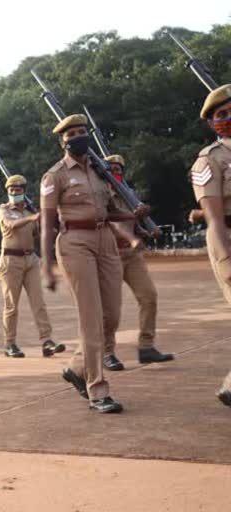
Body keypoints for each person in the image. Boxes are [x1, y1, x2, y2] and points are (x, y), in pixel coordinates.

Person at [40, 114, 147, 413]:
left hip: (106, 241)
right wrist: (47, 265)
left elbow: (112, 210)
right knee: (91, 316)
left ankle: (76, 368)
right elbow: (48, 224)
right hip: (74, 242)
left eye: (82, 131)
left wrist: (135, 216)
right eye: (71, 133)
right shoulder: (55, 176)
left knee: (110, 315)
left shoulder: (100, 173)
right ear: (62, 141)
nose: (78, 136)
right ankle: (97, 390)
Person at [102, 155, 173, 370]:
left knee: (149, 297)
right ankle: (107, 352)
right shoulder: (101, 194)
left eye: (119, 168)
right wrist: (132, 238)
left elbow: (131, 221)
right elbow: (113, 222)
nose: (116, 171)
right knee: (111, 309)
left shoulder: (128, 193)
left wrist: (145, 228)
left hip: (132, 256)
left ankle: (147, 346)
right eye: (111, 168)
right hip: (109, 254)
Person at [189, 84, 231, 407]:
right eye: (221, 114)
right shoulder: (208, 161)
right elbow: (214, 218)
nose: (228, 117)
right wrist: (226, 256)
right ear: (211, 123)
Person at [0, 174, 63, 358]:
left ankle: (47, 340)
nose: (14, 193)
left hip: (30, 259)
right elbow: (11, 225)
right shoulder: (4, 210)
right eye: (11, 190)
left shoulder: (29, 212)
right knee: (11, 305)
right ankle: (10, 343)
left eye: (18, 190)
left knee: (38, 302)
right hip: (11, 261)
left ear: (24, 192)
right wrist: (33, 218)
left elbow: (38, 233)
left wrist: (47, 224)